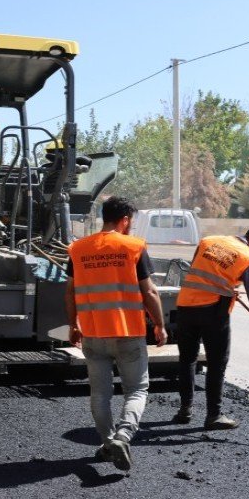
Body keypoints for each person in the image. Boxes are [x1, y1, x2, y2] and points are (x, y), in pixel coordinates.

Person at [65, 196, 167, 472]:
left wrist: (73, 325)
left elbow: (70, 291)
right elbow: (149, 292)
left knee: (100, 394)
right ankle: (123, 436)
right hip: (128, 332)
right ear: (125, 220)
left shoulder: (78, 248)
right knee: (137, 389)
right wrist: (159, 324)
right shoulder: (133, 247)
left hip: (93, 333)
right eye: (130, 222)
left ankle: (108, 442)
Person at [174, 226, 249, 430]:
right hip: (213, 311)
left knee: (187, 359)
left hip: (185, 306)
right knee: (217, 363)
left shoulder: (209, 240)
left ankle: (185, 410)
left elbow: (203, 272)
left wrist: (228, 287)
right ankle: (214, 416)